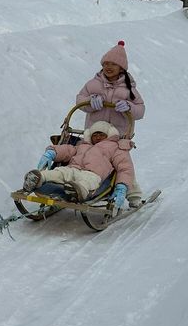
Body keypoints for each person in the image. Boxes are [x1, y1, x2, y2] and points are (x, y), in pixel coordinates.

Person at [75, 40, 145, 204]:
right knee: (86, 157)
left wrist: (128, 106)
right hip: (95, 133)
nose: (108, 67)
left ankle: (132, 194)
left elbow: (140, 110)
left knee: (122, 164)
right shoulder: (93, 84)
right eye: (105, 63)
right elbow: (79, 100)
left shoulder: (129, 89)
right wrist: (90, 102)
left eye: (113, 64)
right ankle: (82, 184)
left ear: (121, 68)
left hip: (118, 136)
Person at [23, 120, 135, 209]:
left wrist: (122, 186)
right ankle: (38, 178)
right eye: (95, 135)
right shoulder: (83, 145)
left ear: (109, 135)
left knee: (87, 182)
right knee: (60, 172)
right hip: (73, 168)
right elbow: (67, 150)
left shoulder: (115, 147)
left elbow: (124, 168)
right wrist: (52, 152)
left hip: (93, 174)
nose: (97, 137)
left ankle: (77, 191)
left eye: (101, 134)